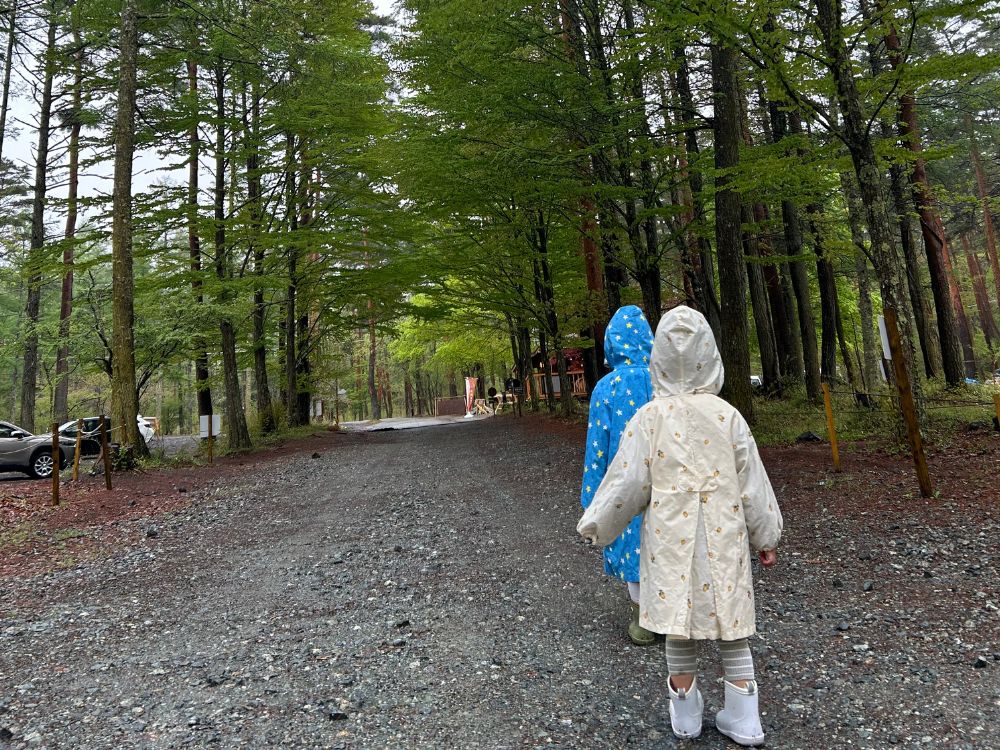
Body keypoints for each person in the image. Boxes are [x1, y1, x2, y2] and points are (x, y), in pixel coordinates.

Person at [577, 305, 782, 746]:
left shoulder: (650, 418)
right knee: (731, 623)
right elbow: (753, 482)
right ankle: (744, 716)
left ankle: (686, 714)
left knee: (677, 621)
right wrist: (765, 535)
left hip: (669, 540)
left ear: (660, 360)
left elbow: (626, 481)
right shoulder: (728, 416)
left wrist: (597, 525)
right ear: (710, 356)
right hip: (725, 537)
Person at [580, 304, 656, 646]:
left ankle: (643, 617)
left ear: (612, 343)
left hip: (623, 481)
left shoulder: (606, 388)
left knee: (629, 539)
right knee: (667, 537)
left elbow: (597, 443)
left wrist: (593, 496)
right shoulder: (665, 381)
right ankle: (671, 612)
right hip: (667, 479)